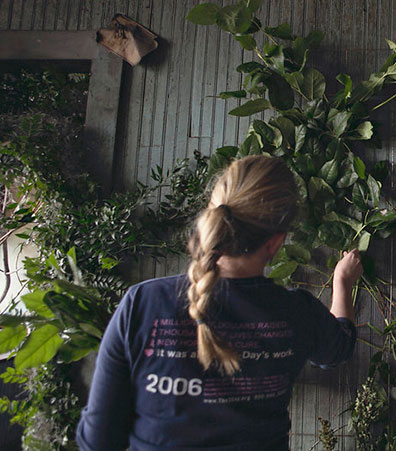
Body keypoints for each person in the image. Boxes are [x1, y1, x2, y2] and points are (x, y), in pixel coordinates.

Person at [76, 155, 363, 450]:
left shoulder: (142, 304)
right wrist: (342, 282)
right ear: (276, 242)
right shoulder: (297, 313)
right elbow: (339, 347)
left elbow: (97, 440)